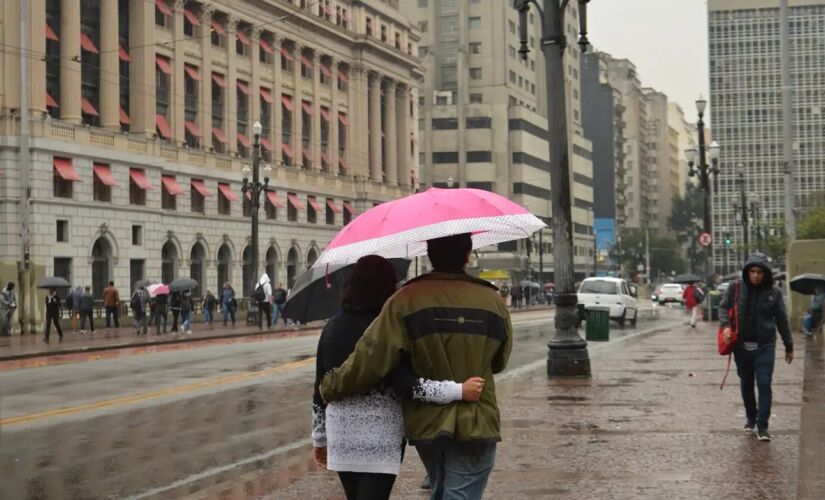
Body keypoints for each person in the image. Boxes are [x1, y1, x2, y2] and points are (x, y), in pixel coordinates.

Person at [321, 233, 513, 499]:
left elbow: (372, 357)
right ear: (468, 253)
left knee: (442, 488)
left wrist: (332, 386)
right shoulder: (492, 300)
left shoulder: (404, 300)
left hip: (428, 422)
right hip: (476, 419)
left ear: (429, 253)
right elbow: (500, 361)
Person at [720, 253, 793, 442]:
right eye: (752, 271)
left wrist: (789, 345)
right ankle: (751, 418)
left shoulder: (773, 292)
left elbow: (782, 319)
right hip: (741, 345)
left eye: (759, 271)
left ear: (765, 273)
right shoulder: (735, 288)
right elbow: (723, 307)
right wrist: (726, 326)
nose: (755, 275)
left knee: (764, 382)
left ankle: (762, 425)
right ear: (747, 272)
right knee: (746, 382)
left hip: (765, 345)